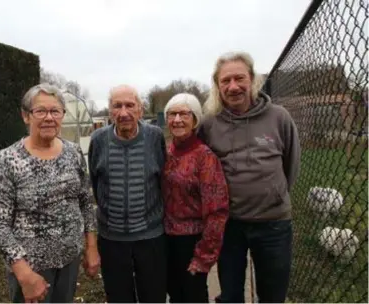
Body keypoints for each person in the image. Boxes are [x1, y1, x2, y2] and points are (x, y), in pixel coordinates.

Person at [198, 52, 301, 303]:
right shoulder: (209, 124)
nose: (233, 86)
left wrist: (273, 195)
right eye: (225, 81)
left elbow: (291, 165)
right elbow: (200, 167)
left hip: (273, 223)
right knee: (231, 293)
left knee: (272, 294)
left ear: (253, 79)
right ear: (218, 85)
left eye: (239, 78)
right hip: (228, 224)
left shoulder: (279, 117)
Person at [0, 83, 99, 303]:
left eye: (55, 111)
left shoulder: (73, 152)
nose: (49, 117)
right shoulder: (8, 160)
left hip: (69, 261)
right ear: (26, 116)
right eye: (40, 111)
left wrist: (91, 247)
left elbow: (85, 201)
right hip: (32, 268)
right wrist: (24, 274)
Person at [88, 84, 167, 303]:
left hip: (150, 236)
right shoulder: (98, 140)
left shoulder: (155, 137)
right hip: (111, 239)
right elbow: (96, 183)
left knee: (154, 296)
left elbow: (162, 179)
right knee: (119, 298)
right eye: (117, 106)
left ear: (140, 109)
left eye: (130, 105)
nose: (124, 113)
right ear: (109, 110)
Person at [162, 93, 229, 303]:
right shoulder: (166, 152)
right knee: (175, 295)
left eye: (184, 114)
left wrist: (204, 256)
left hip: (192, 242)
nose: (177, 119)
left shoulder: (205, 157)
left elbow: (217, 210)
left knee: (193, 296)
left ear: (195, 120)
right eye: (172, 114)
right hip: (165, 239)